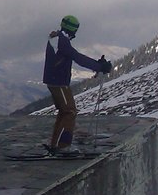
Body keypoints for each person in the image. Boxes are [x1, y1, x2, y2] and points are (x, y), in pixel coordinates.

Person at [42, 15, 112, 155]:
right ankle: (62, 147)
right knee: (70, 112)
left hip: (54, 81)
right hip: (59, 82)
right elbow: (78, 57)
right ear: (72, 30)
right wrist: (99, 66)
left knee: (65, 111)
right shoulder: (62, 41)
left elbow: (74, 56)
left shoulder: (58, 39)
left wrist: (97, 65)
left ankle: (55, 144)